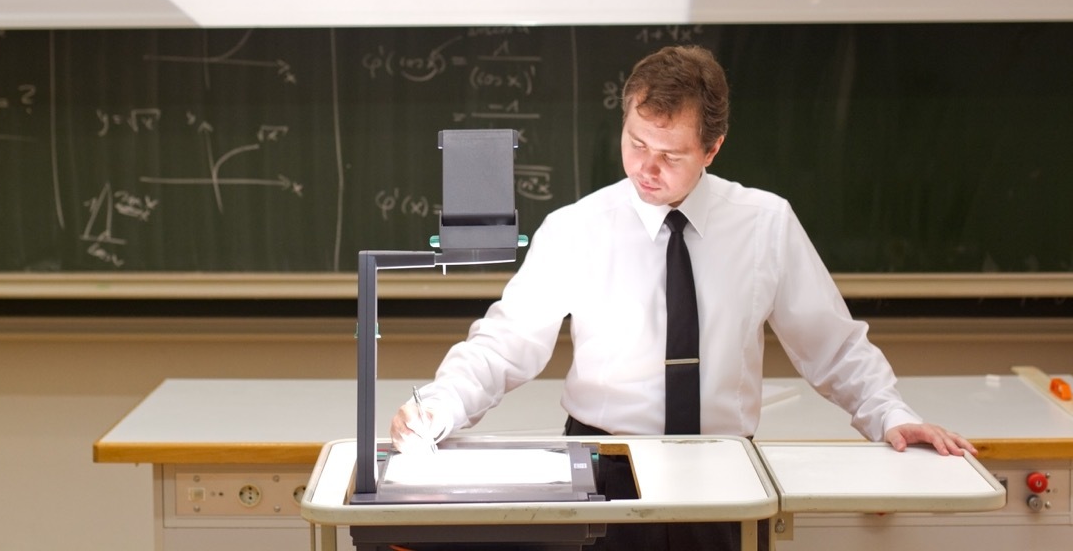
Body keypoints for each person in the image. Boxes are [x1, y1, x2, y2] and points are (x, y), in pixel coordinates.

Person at [391, 44, 975, 551]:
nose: (646, 168)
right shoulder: (578, 227)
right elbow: (506, 343)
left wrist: (892, 416)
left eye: (670, 155)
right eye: (635, 142)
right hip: (603, 469)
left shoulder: (764, 223)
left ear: (713, 148)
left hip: (725, 469)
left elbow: (833, 346)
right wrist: (439, 407)